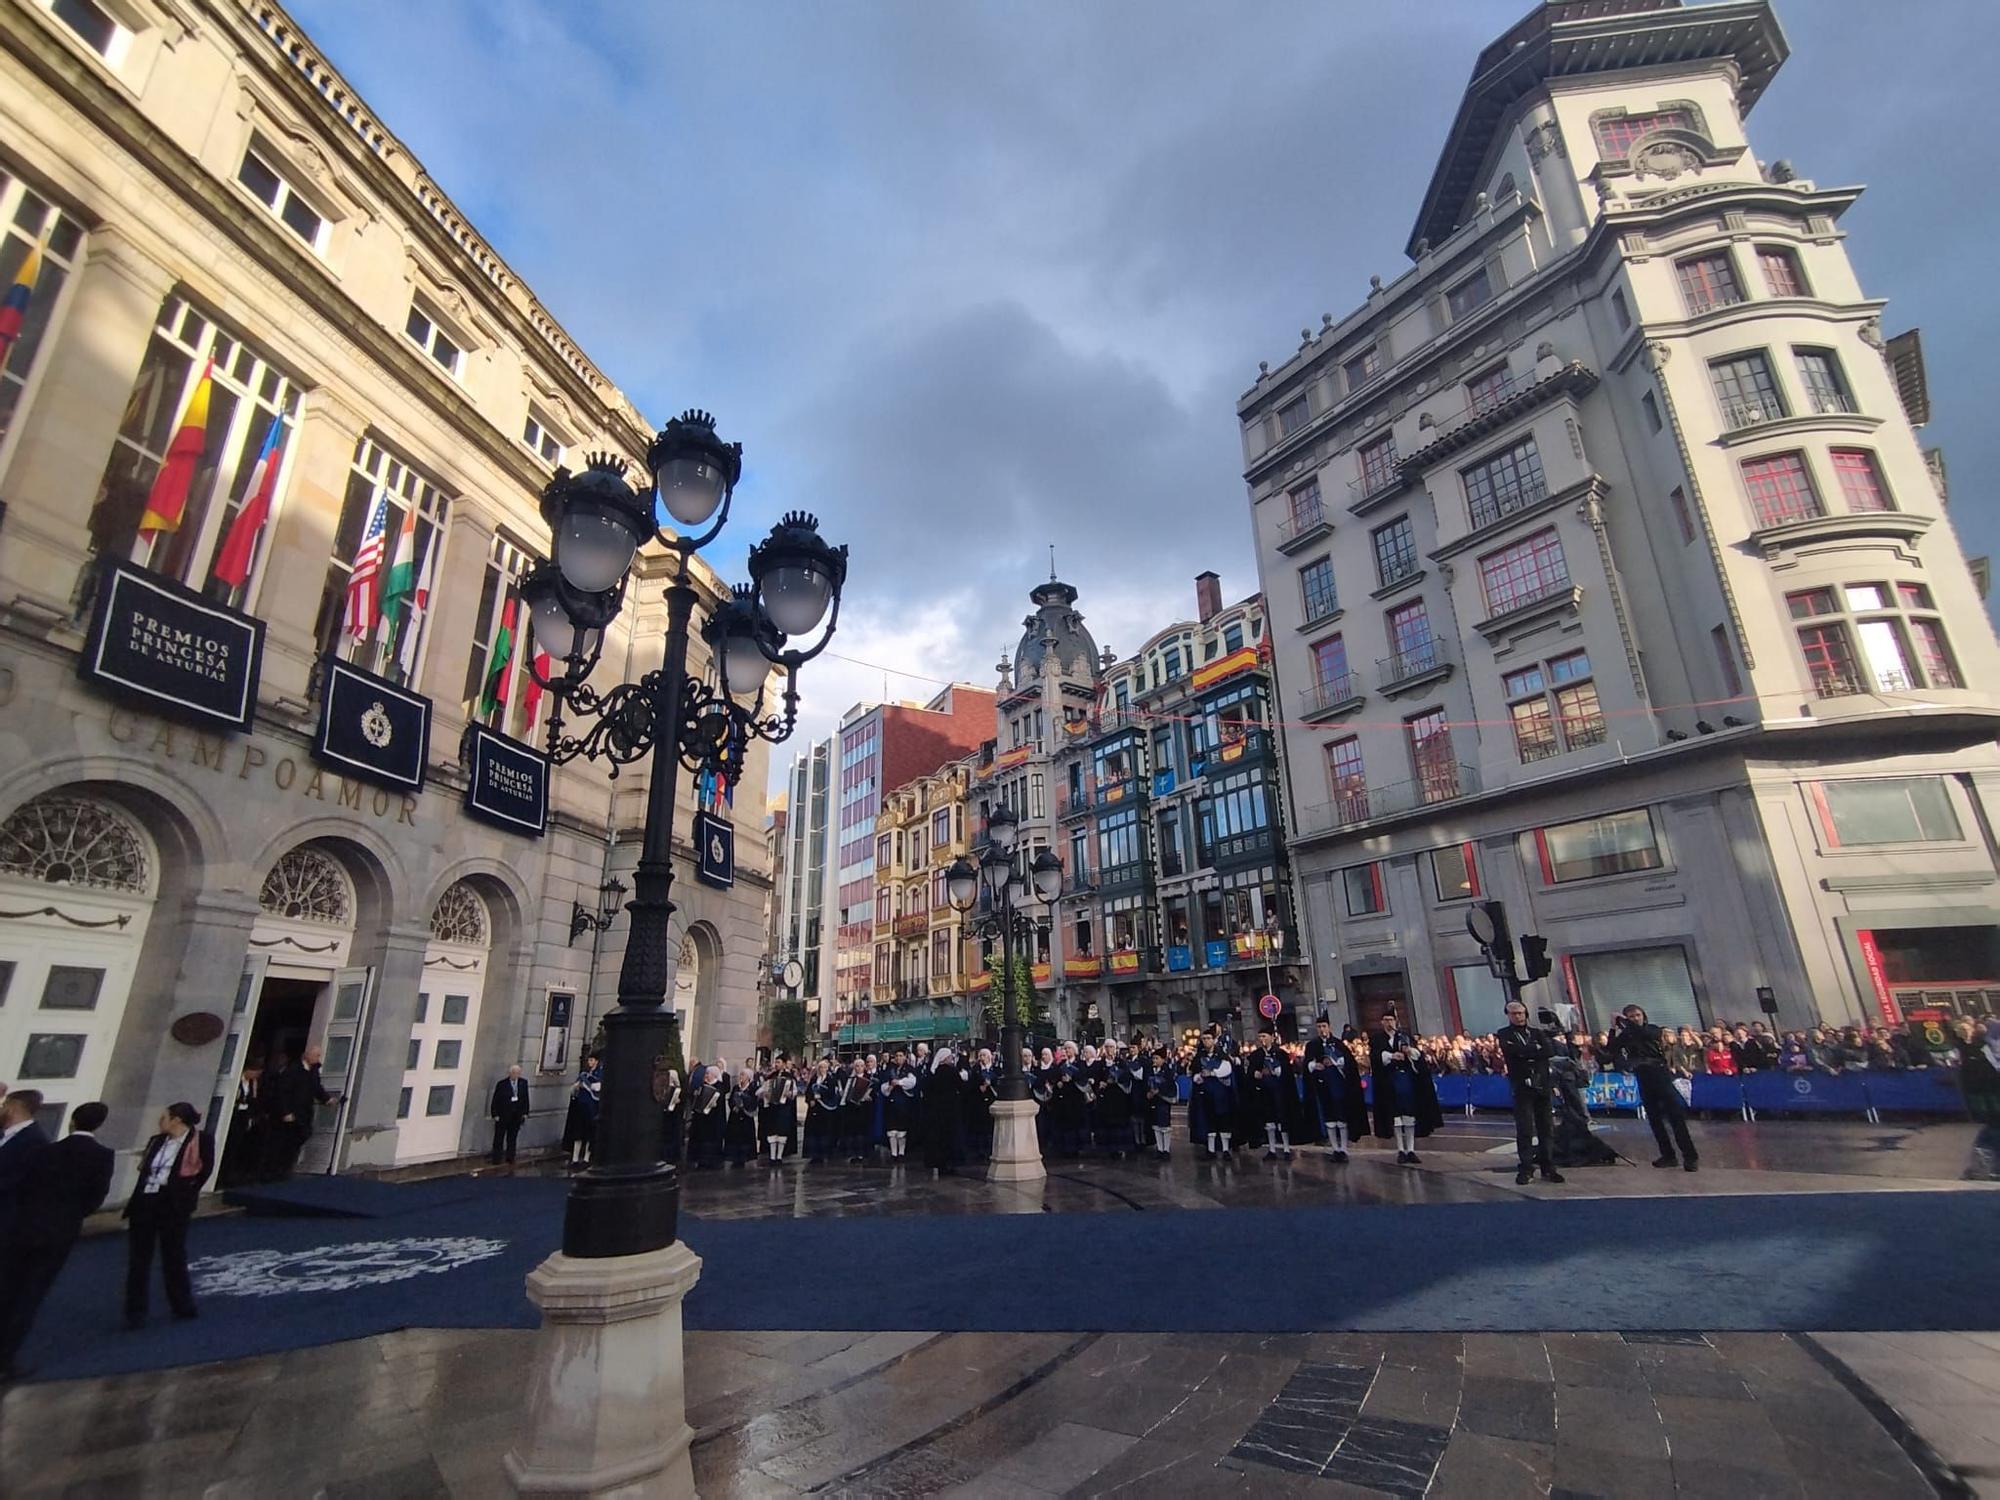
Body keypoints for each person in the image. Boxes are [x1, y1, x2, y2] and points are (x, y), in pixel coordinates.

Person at [0, 1101, 116, 1377]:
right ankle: (5, 1357)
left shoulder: (48, 1149)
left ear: (72, 1121)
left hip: (26, 1226)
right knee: (31, 1294)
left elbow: (26, 1185)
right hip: (59, 1232)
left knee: (8, 1288)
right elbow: (95, 1197)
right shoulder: (102, 1156)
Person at [124, 1102, 215, 1328]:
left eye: (164, 1117)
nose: (160, 1121)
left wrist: (187, 1193)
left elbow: (205, 1169)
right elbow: (146, 1169)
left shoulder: (201, 1141)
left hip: (174, 1203)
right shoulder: (157, 1141)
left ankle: (181, 1303)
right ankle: (135, 1311)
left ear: (176, 1120)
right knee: (139, 1258)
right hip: (147, 1200)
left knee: (173, 1254)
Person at [1604, 1005, 1699, 1171]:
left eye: (1638, 1015)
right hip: (1643, 1074)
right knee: (1654, 1118)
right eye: (1631, 1016)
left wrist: (1625, 1021)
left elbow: (1645, 1033)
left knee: (1675, 1116)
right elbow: (1610, 1050)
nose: (1636, 1018)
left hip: (1659, 1072)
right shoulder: (1626, 1035)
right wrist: (1613, 1029)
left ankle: (1690, 1156)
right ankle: (1668, 1155)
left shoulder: (1652, 1029)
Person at [1497, 1001, 1565, 1185]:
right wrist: (1534, 1050)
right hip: (1522, 1085)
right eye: (1514, 1013)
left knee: (1546, 1127)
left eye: (1520, 1013)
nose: (1518, 1016)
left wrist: (1531, 1051)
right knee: (1525, 1128)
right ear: (1508, 1015)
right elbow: (1513, 1051)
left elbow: (1549, 1051)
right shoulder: (1505, 1033)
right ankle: (1526, 1167)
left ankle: (1548, 1166)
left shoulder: (1536, 1033)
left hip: (1541, 1084)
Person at [1369, 1009, 1442, 1165]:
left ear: (1396, 1021)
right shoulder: (1376, 1039)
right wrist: (1390, 1056)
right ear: (1382, 1022)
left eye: (1391, 1020)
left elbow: (1418, 1057)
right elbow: (1375, 1056)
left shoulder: (1405, 1037)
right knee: (1396, 1118)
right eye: (1386, 1020)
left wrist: (1410, 1051)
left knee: (1409, 1116)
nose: (1389, 1023)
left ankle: (1411, 1150)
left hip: (1406, 1081)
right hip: (1389, 1082)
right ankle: (1400, 1150)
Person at [262, 1046, 337, 1180]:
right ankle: (273, 1171)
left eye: (319, 1056)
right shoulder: (293, 1070)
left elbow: (316, 1088)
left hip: (304, 1112)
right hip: (291, 1112)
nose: (317, 1058)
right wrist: (285, 1112)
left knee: (301, 1137)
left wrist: (327, 1099)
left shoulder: (313, 1071)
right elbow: (282, 1092)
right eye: (315, 1055)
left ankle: (285, 1169)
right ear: (306, 1056)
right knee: (283, 1141)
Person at [1304, 1014, 1368, 1162]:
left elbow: (1349, 1063)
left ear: (1329, 1027)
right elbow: (1307, 1064)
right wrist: (1314, 1065)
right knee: (1329, 1118)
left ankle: (1344, 1149)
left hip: (1339, 1086)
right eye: (1319, 1027)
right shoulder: (1312, 1045)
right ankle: (1335, 1149)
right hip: (1323, 1086)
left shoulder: (1339, 1044)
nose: (1321, 1030)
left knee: (1342, 1117)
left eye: (1324, 1026)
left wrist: (1337, 1062)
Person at [0, 1090, 51, 1238]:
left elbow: (19, 1181)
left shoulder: (37, 1141)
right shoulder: (4, 1133)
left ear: (13, 1107)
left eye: (3, 1105)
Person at [219, 1059, 265, 1188]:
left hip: (243, 1116)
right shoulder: (236, 1080)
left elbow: (253, 1101)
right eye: (256, 1073)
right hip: (232, 1115)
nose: (257, 1076)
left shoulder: (252, 1083)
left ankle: (232, 1173)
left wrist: (254, 1093)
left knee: (238, 1144)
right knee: (229, 1144)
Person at [921, 1047, 964, 1174]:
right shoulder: (952, 1071)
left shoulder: (933, 1073)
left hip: (936, 1111)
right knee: (950, 1137)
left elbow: (926, 1091)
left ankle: (940, 1164)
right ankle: (950, 1164)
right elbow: (961, 1087)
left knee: (939, 1138)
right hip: (950, 1109)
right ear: (946, 1058)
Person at [561, 1054, 602, 1170]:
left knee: (589, 1134)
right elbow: (574, 1089)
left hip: (592, 1107)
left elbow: (598, 1088)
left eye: (592, 1060)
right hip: (581, 1106)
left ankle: (586, 1158)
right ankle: (575, 1158)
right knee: (578, 1133)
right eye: (589, 1060)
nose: (590, 1062)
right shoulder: (584, 1074)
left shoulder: (600, 1073)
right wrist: (577, 1086)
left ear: (596, 1061)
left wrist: (588, 1085)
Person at [488, 1065, 531, 1166]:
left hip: (516, 1115)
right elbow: (496, 1100)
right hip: (503, 1115)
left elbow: (525, 1099)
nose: (515, 1075)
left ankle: (510, 1157)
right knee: (499, 1138)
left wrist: (525, 1113)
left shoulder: (523, 1083)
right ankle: (496, 1158)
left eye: (517, 1073)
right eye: (514, 1073)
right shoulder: (502, 1084)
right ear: (510, 1073)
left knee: (512, 1138)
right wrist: (495, 1114)